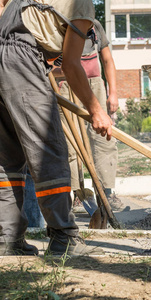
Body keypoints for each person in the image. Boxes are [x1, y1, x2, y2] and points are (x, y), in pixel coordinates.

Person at [0, 0, 112, 256]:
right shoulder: (81, 3)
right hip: (22, 59)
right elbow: (72, 65)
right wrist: (96, 110)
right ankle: (64, 238)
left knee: (7, 159)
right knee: (48, 150)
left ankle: (8, 239)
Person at [54, 19, 124, 212]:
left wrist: (113, 93)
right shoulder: (58, 21)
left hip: (94, 85)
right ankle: (79, 194)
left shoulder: (94, 25)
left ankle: (106, 193)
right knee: (72, 142)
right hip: (66, 85)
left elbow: (108, 60)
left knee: (104, 138)